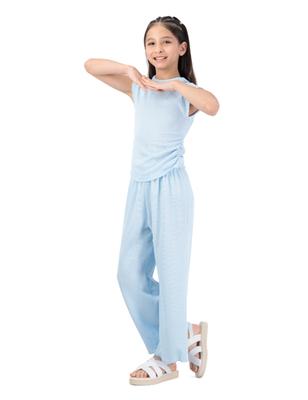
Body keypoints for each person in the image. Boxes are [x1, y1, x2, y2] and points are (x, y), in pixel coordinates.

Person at [84, 15, 219, 386]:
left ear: (182, 48)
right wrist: (128, 70)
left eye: (166, 42)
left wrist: (174, 85)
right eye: (151, 43)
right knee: (129, 274)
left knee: (172, 277)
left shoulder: (184, 93)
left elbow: (212, 105)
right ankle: (184, 332)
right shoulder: (138, 87)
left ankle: (167, 358)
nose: (157, 49)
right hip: (138, 188)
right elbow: (90, 66)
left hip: (171, 190)